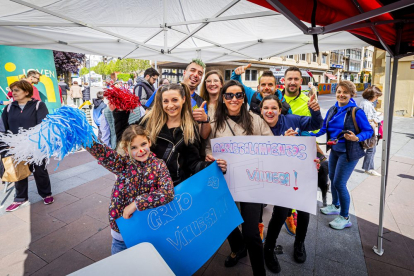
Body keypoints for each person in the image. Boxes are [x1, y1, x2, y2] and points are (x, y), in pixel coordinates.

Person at [206, 80, 273, 276]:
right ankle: (238, 247)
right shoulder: (213, 122)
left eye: (238, 95)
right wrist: (212, 158)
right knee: (224, 221)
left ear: (244, 98)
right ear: (223, 98)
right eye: (229, 95)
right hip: (224, 180)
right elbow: (207, 148)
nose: (234, 99)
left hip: (251, 182)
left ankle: (259, 272)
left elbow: (269, 146)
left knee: (251, 232)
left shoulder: (256, 120)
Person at [114, 83, 227, 186]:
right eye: (166, 101)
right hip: (146, 185)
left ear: (183, 99)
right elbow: (124, 137)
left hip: (175, 187)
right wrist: (120, 112)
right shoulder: (150, 121)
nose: (170, 105)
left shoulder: (189, 128)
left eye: (174, 100)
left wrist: (213, 166)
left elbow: (192, 164)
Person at [86, 124, 175, 255]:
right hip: (122, 235)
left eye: (143, 144)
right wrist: (82, 136)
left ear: (149, 142)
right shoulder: (122, 164)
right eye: (134, 147)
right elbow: (101, 152)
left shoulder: (159, 165)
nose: (141, 150)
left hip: (148, 232)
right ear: (126, 150)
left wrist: (136, 204)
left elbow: (167, 193)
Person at [259, 94, 323, 273]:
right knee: (279, 212)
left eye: (274, 108)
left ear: (280, 110)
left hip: (302, 171)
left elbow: (316, 125)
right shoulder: (258, 126)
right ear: (261, 110)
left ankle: (299, 244)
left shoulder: (292, 119)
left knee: (303, 211)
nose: (270, 111)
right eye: (266, 108)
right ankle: (269, 249)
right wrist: (281, 142)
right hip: (280, 177)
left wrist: (315, 111)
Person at [313, 81, 373, 229]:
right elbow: (323, 128)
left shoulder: (355, 111)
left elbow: (368, 131)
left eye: (345, 92)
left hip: (349, 152)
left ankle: (345, 217)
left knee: (340, 183)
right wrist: (306, 134)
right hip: (335, 150)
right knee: (333, 179)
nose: (341, 95)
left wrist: (356, 137)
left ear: (351, 94)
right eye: (339, 91)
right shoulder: (333, 109)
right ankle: (335, 205)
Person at [2, 80, 54, 212]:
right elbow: (4, 128)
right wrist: (7, 145)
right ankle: (20, 198)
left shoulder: (38, 105)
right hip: (16, 147)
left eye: (17, 90)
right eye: (13, 90)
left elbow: (43, 126)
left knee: (40, 170)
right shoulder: (8, 108)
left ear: (26, 92)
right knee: (19, 172)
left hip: (35, 146)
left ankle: (46, 194)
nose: (13, 93)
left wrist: (32, 143)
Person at [145, 59, 211, 139]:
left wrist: (205, 119)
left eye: (200, 73)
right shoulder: (163, 91)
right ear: (184, 73)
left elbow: (203, 136)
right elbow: (147, 117)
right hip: (161, 142)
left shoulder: (201, 102)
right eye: (192, 70)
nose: (196, 75)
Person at [359, 85, 382, 176]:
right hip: (369, 130)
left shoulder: (365, 102)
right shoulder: (367, 104)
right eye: (376, 96)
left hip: (366, 130)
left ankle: (368, 167)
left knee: (371, 149)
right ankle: (368, 168)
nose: (377, 99)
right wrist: (378, 118)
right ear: (372, 95)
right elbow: (368, 120)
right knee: (371, 149)